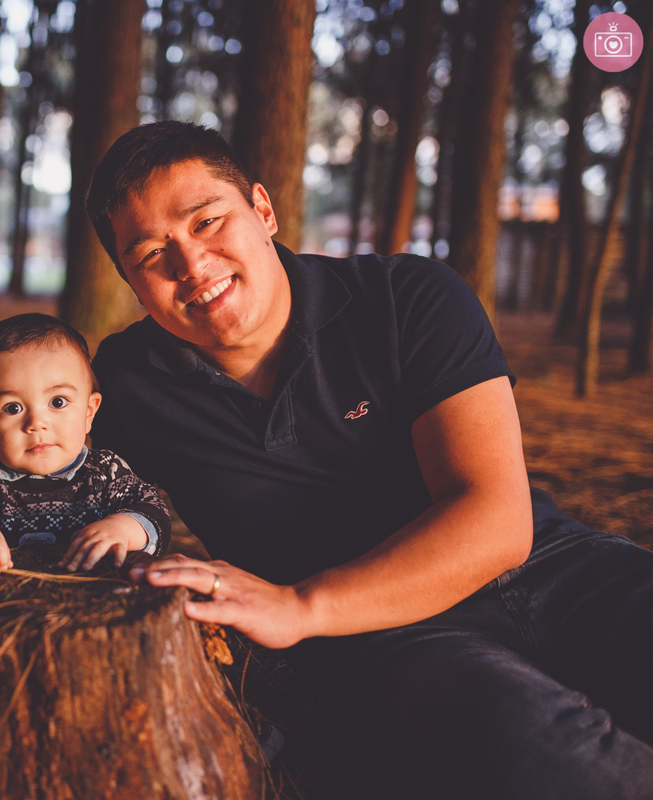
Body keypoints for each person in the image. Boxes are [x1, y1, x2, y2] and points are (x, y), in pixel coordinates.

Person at [84, 120, 653, 799]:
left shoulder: (408, 296)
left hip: (552, 568)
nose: (191, 265)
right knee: (555, 759)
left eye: (208, 222)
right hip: (388, 640)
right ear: (130, 283)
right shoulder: (126, 383)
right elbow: (52, 477)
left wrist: (298, 605)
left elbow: (498, 522)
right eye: (151, 255)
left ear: (262, 210)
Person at [0, 313, 170, 576]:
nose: (36, 423)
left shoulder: (106, 471)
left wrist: (122, 529)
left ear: (89, 412)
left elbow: (153, 511)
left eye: (58, 402)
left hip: (94, 595)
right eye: (13, 407)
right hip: (1, 599)